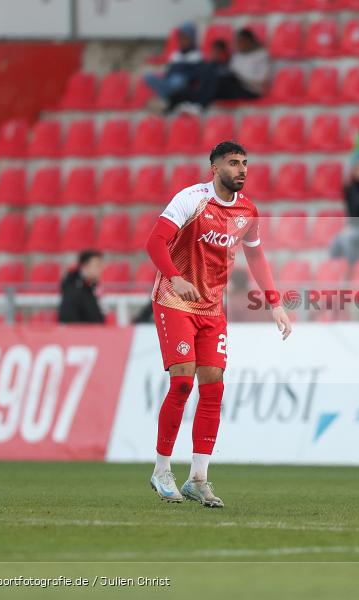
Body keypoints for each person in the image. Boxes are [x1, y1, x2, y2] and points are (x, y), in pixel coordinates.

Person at [145, 141, 292, 508]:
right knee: (181, 382)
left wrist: (275, 304)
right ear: (214, 167)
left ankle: (198, 478)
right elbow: (155, 242)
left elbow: (256, 257)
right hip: (174, 300)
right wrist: (174, 277)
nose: (241, 169)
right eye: (233, 163)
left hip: (212, 309)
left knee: (213, 388)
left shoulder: (247, 211)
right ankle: (162, 469)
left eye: (245, 163)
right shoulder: (191, 200)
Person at [144, 22, 204, 113]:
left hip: (185, 86)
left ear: (191, 39)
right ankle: (166, 95)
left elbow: (195, 77)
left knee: (178, 81)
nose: (182, 41)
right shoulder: (176, 55)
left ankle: (164, 97)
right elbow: (169, 73)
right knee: (148, 76)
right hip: (170, 82)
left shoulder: (197, 56)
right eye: (181, 38)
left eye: (185, 38)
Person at [57, 250, 105, 324]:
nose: (101, 269)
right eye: (97, 265)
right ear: (86, 266)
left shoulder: (92, 285)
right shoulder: (72, 287)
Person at [229, 27, 270, 99]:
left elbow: (263, 82)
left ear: (249, 41)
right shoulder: (236, 56)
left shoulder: (261, 56)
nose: (238, 44)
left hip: (252, 91)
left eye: (240, 41)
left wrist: (241, 80)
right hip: (236, 88)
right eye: (237, 42)